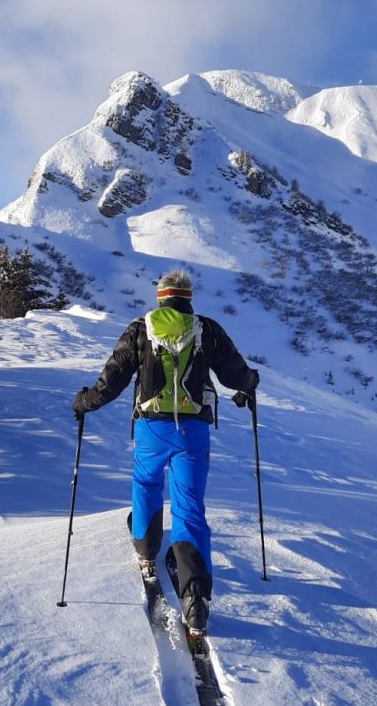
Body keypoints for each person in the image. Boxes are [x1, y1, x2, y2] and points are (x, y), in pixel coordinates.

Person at [72, 269, 259, 636]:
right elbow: (235, 373)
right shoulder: (207, 329)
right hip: (193, 431)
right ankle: (195, 599)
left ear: (161, 298)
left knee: (146, 483)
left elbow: (112, 380)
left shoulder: (140, 329)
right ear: (187, 298)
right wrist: (249, 385)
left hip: (150, 428)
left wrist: (84, 402)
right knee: (189, 506)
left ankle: (146, 550)